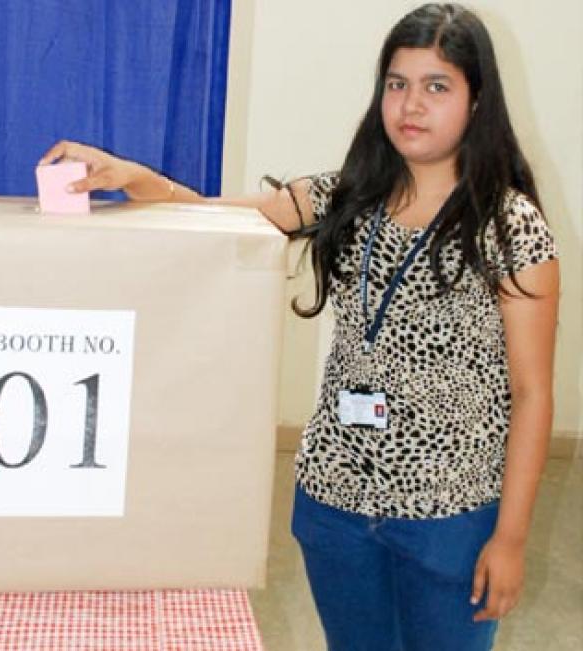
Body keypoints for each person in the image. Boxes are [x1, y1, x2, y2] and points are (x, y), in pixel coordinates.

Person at [39, 4, 558, 650]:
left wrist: (509, 538)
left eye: (436, 86)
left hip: (449, 514)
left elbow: (533, 392)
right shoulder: (346, 195)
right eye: (397, 84)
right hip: (334, 503)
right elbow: (215, 218)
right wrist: (132, 176)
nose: (411, 105)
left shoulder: (509, 224)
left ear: (478, 102)